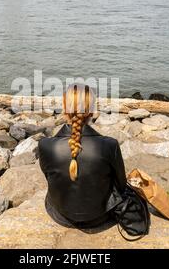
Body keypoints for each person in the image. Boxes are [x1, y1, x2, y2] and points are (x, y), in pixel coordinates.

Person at [38, 83, 127, 229]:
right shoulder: (110, 145)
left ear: (65, 109)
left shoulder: (45, 145)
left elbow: (50, 178)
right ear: (91, 111)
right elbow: (121, 185)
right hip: (101, 216)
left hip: (60, 215)